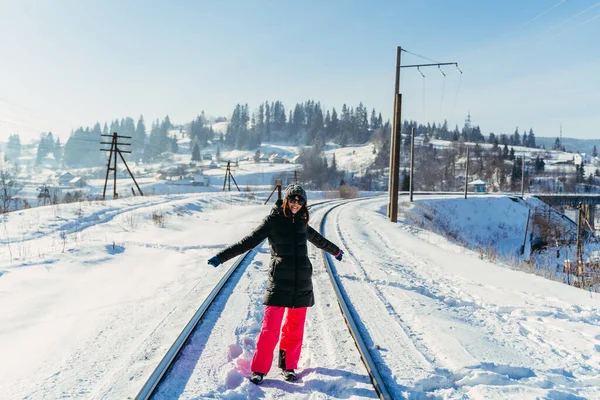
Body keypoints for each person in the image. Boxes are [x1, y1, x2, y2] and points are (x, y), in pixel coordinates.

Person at [207, 184, 344, 385]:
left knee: (294, 329)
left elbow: (318, 240)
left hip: (302, 283)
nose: (296, 203)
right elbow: (248, 241)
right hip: (279, 282)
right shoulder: (273, 221)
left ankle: (288, 367)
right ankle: (259, 370)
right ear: (286, 200)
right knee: (270, 328)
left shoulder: (302, 223)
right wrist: (221, 257)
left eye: (300, 201)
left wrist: (336, 251)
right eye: (293, 199)